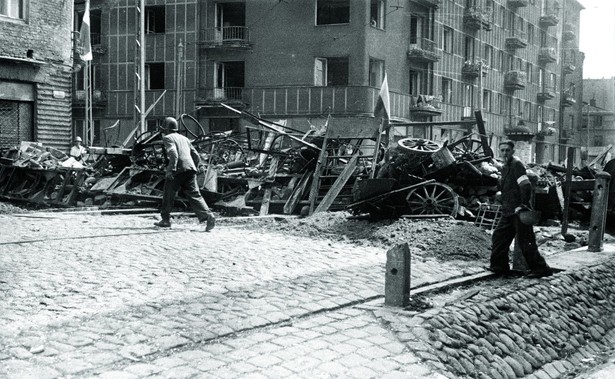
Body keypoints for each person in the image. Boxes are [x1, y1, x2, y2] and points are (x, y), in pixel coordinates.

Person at [488, 140, 553, 278]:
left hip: (518, 211)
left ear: (513, 151)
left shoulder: (517, 165)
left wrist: (523, 205)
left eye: (507, 150)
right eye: (502, 150)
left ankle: (541, 269)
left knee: (525, 241)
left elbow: (526, 185)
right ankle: (499, 267)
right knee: (499, 237)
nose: (505, 153)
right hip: (508, 211)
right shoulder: (505, 167)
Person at [154, 117, 216, 231]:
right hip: (190, 169)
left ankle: (166, 220)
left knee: (168, 194)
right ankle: (208, 216)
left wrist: (170, 170)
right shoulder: (185, 139)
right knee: (195, 195)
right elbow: (196, 155)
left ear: (166, 129)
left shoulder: (168, 138)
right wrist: (196, 168)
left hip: (178, 169)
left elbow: (173, 153)